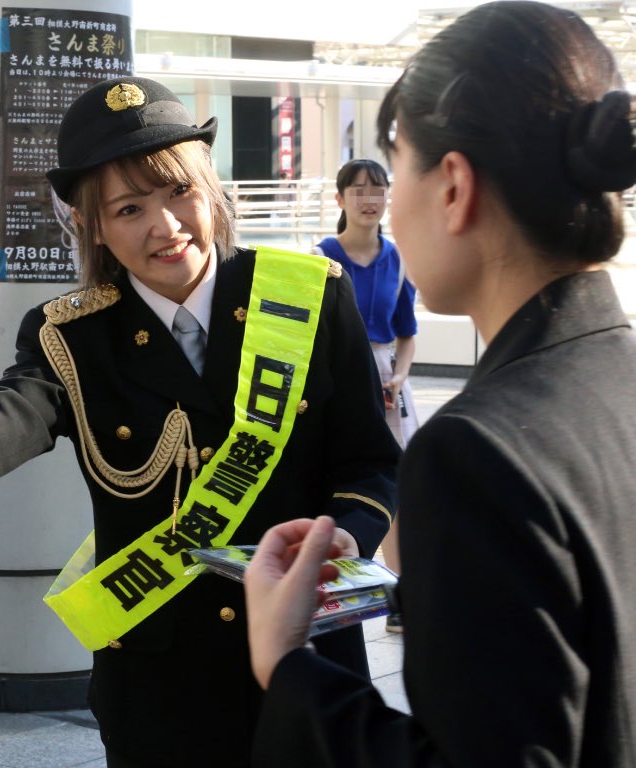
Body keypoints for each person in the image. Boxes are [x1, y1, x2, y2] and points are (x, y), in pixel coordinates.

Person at [0, 76, 399, 767]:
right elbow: (13, 410)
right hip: (159, 674)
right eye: (129, 208)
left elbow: (369, 460)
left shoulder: (308, 298)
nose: (165, 226)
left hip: (305, 654)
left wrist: (347, 536)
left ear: (212, 188)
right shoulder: (71, 335)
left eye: (179, 191)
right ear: (91, 225)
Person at [244, 3, 636, 765]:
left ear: (453, 186)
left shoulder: (475, 455)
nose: (389, 206)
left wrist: (287, 665)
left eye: (399, 169)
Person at [315, 158, 419, 629]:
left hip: (387, 377)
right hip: (335, 374)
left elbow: (406, 332)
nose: (369, 200)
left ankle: (397, 593)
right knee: (340, 477)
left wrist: (398, 376)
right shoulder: (321, 257)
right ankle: (335, 585)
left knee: (394, 486)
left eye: (377, 189)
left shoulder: (397, 257)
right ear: (340, 199)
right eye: (358, 190)